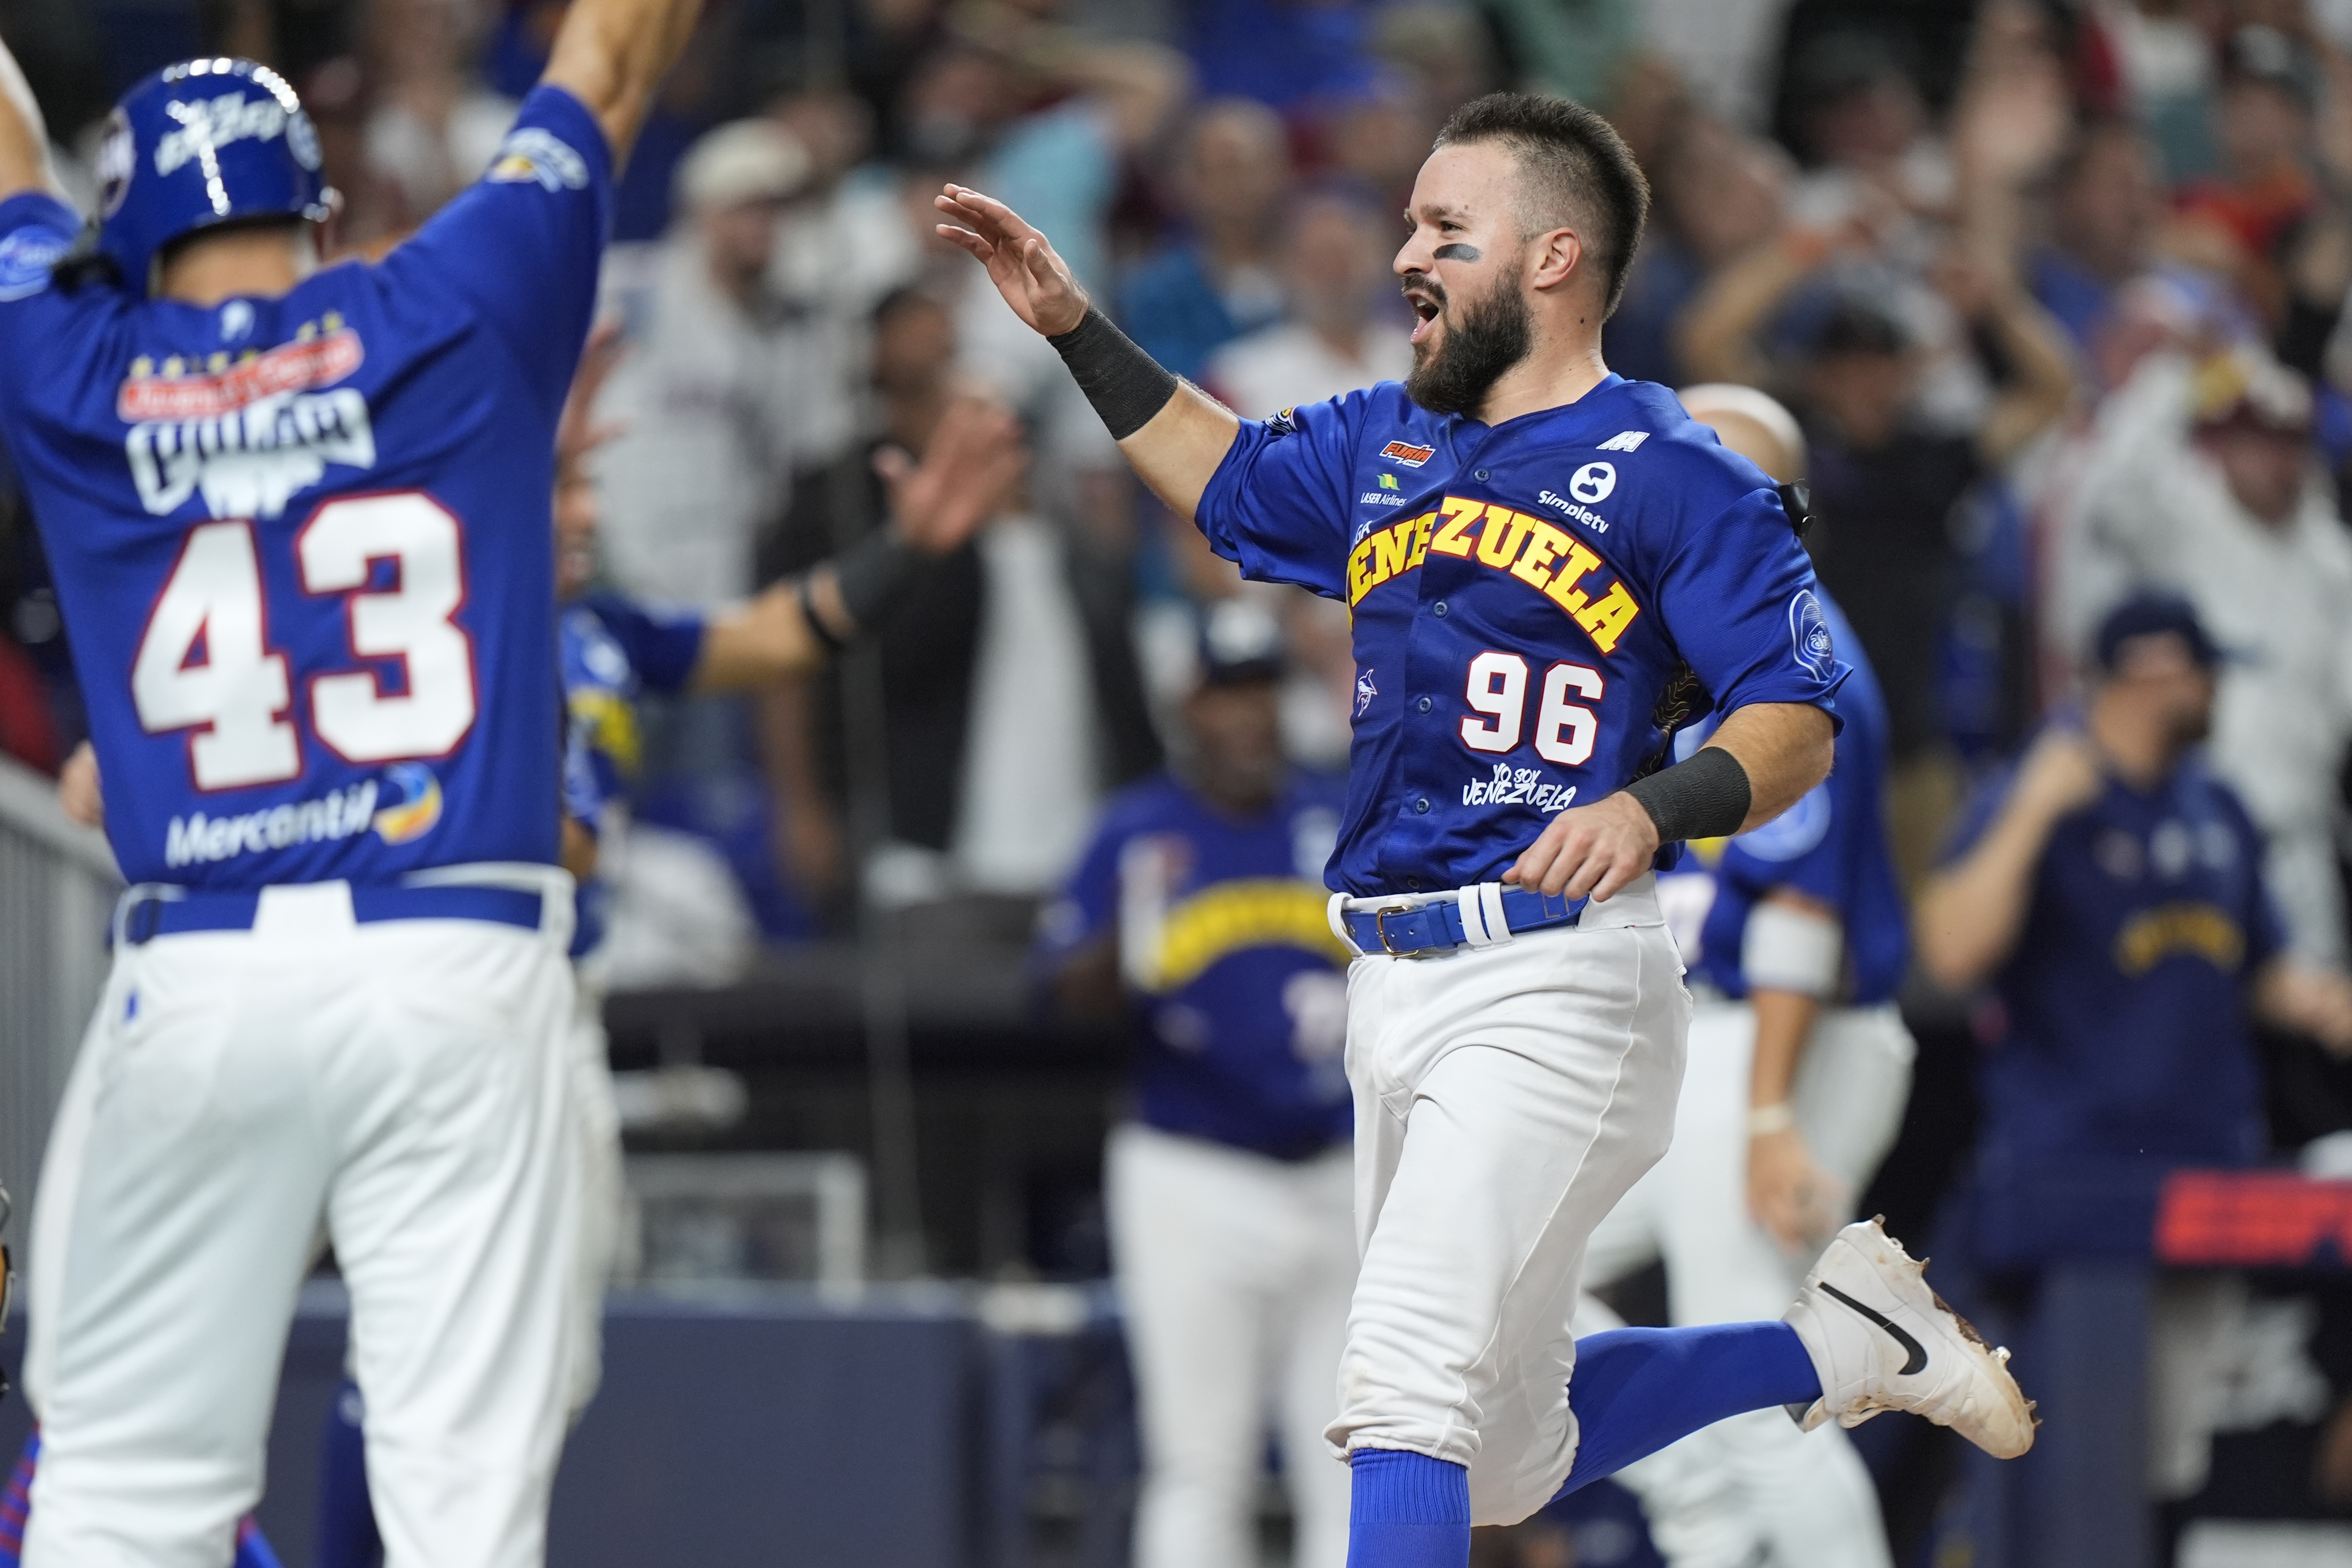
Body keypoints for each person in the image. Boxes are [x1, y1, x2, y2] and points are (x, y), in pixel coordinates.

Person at [934, 88, 2035, 1568]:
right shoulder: (1391, 436)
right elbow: (1226, 478)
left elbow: (1794, 723)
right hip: (1394, 979)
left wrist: (1655, 806)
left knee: (1396, 1371)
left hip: (1555, 975)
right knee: (1506, 1454)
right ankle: (1842, 1344)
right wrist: (1074, 324)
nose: (1408, 252)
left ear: (1554, 258)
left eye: (1445, 229)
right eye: (1407, 223)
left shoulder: (1674, 467)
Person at [0, 5, 883, 1560]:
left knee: (120, 1489)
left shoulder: (68, 361)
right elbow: (608, 58)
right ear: (318, 209)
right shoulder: (457, 296)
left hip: (201, 967)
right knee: (461, 1509)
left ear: (122, 234)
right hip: (455, 951)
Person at [1913, 591, 2352, 1560]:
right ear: (2153, 676)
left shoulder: (2215, 804)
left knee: (2166, 1456)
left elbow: (2257, 967)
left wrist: (2319, 999)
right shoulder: (2046, 787)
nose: (2212, 692)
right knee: (2069, 1455)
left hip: (2204, 1171)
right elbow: (1949, 949)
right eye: (2197, 671)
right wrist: (2034, 806)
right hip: (2070, 1177)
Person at [1579, 385, 1908, 1568]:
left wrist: (1770, 1112)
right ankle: (1698, 1514)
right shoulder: (1664, 637)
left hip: (1783, 1035)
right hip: (1689, 1034)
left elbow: (1798, 920)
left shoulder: (1789, 651)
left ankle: (1734, 1516)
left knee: (1747, 1361)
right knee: (1507, 1273)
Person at [1034, 600, 1355, 1568]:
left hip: (1342, 1165)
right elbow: (1057, 1002)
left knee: (1352, 1457)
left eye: (1262, 692)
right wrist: (1127, 940)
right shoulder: (1138, 833)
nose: (1248, 717)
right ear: (1191, 707)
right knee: (1201, 1463)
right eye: (1228, 696)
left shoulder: (1336, 815)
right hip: (1193, 1169)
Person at [2055, 348, 2352, 972]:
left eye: (2289, 445)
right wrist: (2179, 386)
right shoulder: (2182, 528)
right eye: (2257, 443)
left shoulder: (2332, 561)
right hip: (2193, 831)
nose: (2275, 463)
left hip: (2300, 837)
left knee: (2312, 1032)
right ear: (2224, 446)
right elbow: (2108, 494)